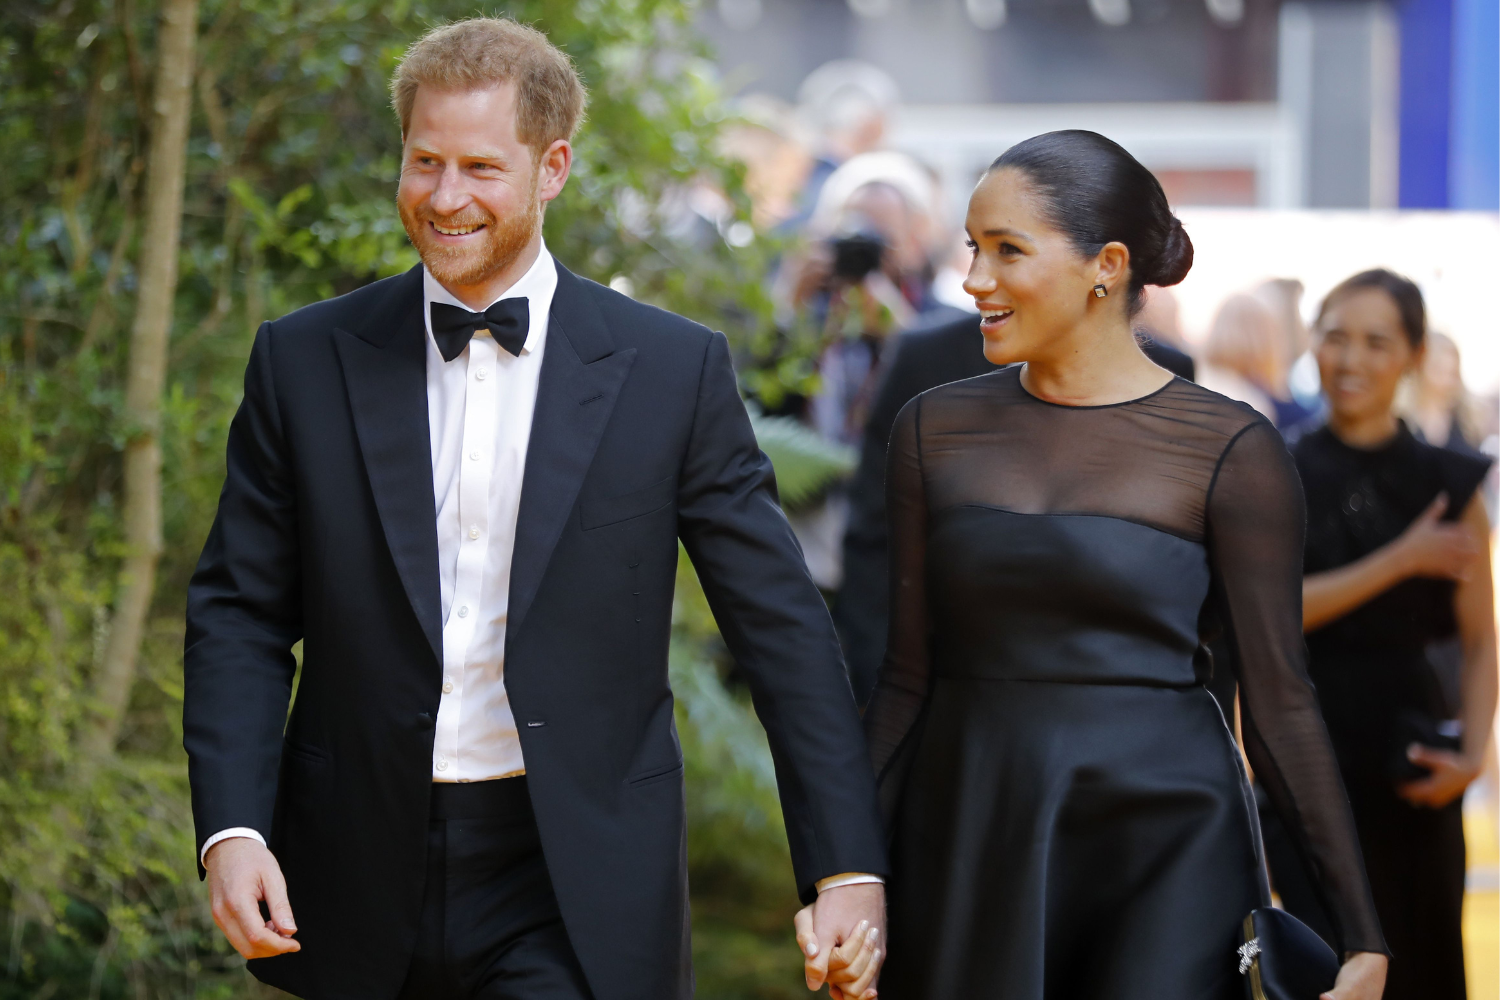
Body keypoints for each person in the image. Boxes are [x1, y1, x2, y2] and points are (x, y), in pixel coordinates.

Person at [183, 19, 887, 1000]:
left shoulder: (672, 371)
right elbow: (240, 611)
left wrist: (845, 864)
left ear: (552, 167)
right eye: (424, 161)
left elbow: (781, 630)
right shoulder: (301, 363)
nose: (444, 197)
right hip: (346, 865)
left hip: (575, 878)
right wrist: (233, 827)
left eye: (480, 166)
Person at [852, 130, 1388, 999]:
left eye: (1007, 251)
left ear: (1105, 265)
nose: (974, 280)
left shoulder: (1232, 450)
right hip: (977, 829)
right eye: (972, 249)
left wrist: (1359, 931)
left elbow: (1280, 700)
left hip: (1170, 845)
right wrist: (846, 873)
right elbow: (905, 681)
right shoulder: (932, 429)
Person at [1272, 270, 1496, 1000]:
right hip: (1305, 753)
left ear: (1412, 353)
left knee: (1422, 953)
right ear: (1313, 345)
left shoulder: (1450, 482)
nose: (1352, 359)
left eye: (1376, 341)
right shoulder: (1276, 466)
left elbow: (1483, 638)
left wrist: (1470, 754)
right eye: (1335, 337)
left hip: (1413, 758)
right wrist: (1401, 559)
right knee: (1315, 962)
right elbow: (1271, 613)